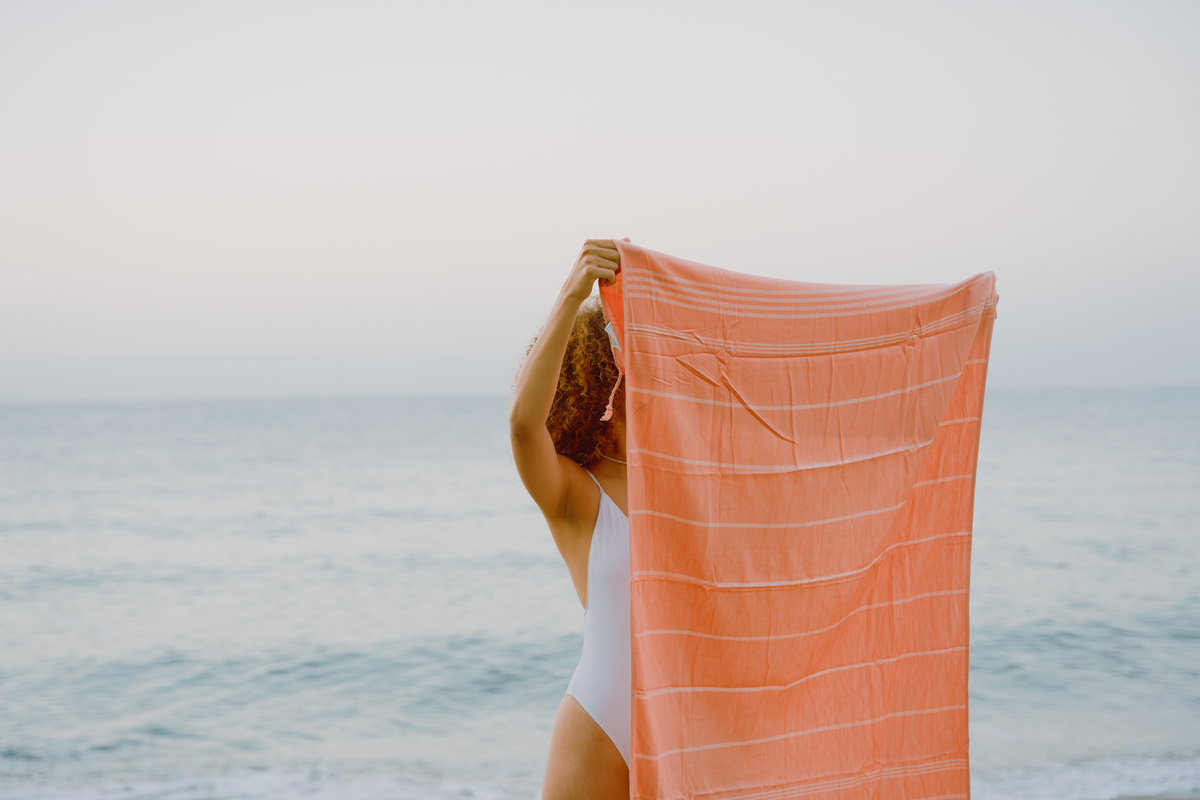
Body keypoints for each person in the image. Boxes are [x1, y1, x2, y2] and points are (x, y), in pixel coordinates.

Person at [509, 238, 632, 799]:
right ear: (604, 380)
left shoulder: (688, 482)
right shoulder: (576, 495)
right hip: (603, 723)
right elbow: (524, 428)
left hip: (688, 717)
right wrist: (571, 295)